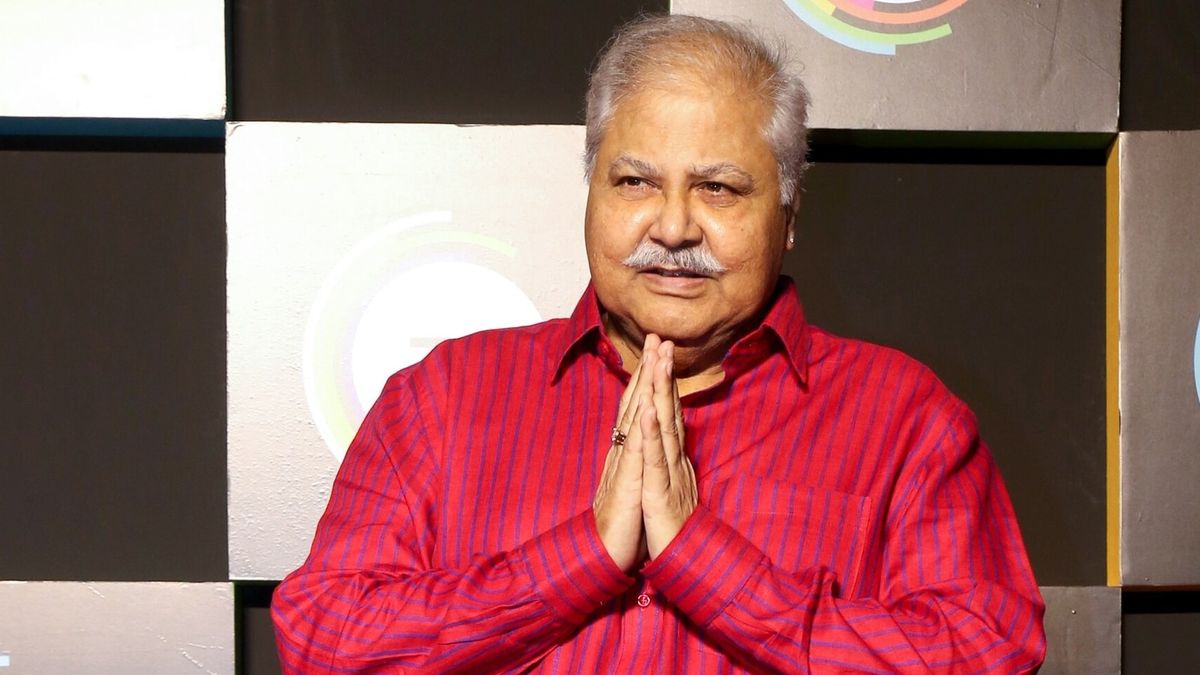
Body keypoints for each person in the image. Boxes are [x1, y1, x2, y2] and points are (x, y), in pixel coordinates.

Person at [272, 14, 1046, 673]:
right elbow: (323, 639)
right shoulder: (444, 396)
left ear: (789, 216)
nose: (673, 227)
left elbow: (987, 652)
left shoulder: (906, 419)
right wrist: (582, 558)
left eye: (719, 188)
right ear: (592, 191)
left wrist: (702, 560)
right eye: (635, 182)